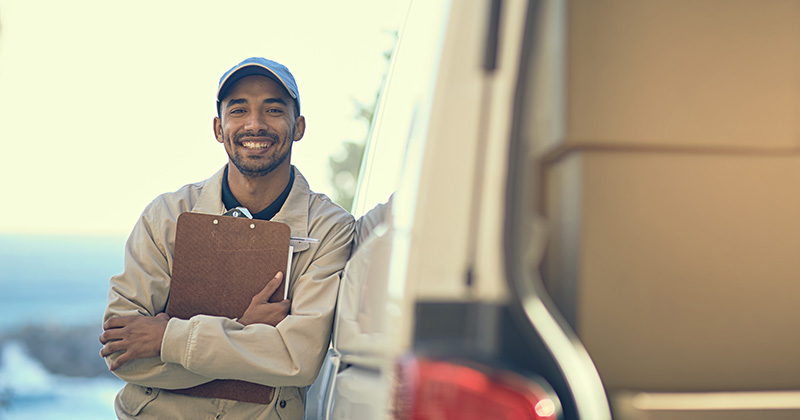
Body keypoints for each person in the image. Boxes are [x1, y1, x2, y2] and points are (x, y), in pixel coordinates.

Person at [99, 57, 355, 420]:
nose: (255, 124)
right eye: (239, 110)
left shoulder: (330, 228)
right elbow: (122, 352)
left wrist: (165, 338)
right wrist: (246, 332)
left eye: (273, 110)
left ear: (298, 127)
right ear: (219, 129)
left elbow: (298, 359)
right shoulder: (166, 216)